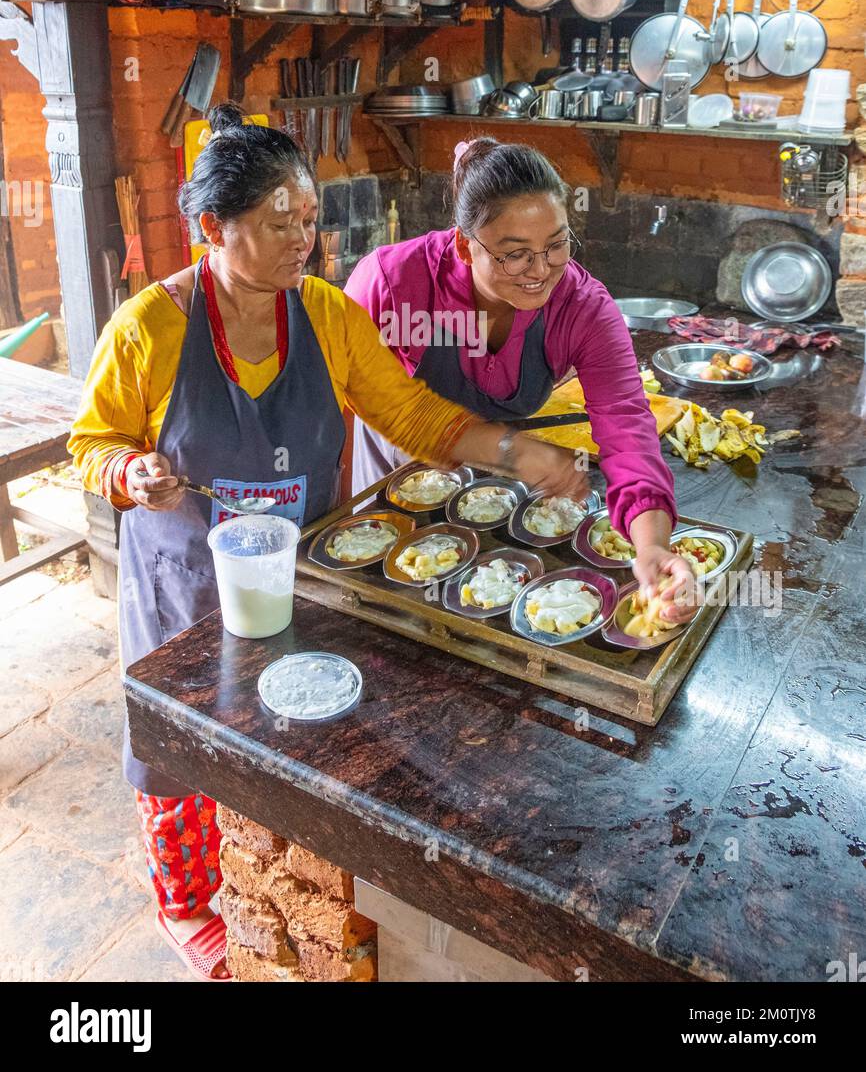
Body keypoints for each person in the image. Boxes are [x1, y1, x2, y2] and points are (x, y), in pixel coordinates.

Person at [69, 107, 587, 980]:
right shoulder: (149, 329)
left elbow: (411, 413)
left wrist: (513, 449)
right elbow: (91, 442)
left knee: (284, 727)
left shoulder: (329, 316)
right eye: (278, 223)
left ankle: (280, 888)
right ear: (212, 228)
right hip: (183, 579)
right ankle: (186, 899)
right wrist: (129, 474)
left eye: (309, 220)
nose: (302, 240)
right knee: (176, 741)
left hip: (299, 573)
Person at [346, 135, 696, 614]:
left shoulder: (583, 308)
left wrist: (651, 542)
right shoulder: (392, 283)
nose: (540, 271)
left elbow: (627, 426)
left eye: (556, 246)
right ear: (466, 249)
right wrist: (512, 452)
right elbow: (365, 401)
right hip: (397, 499)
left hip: (508, 507)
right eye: (515, 253)